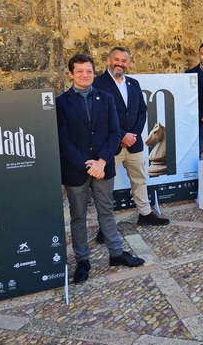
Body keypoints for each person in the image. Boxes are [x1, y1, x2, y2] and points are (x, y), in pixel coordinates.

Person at [56, 54, 145, 284]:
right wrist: (88, 164)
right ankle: (82, 260)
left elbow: (115, 132)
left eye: (88, 71)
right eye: (79, 71)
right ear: (70, 74)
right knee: (78, 217)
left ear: (94, 72)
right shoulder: (61, 103)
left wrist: (102, 162)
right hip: (77, 170)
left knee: (107, 211)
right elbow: (63, 140)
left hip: (104, 166)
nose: (85, 75)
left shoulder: (105, 99)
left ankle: (116, 253)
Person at [93, 47, 169, 236]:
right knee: (105, 187)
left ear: (128, 62)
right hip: (111, 146)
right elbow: (99, 117)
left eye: (124, 60)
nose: (120, 63)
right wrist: (121, 136)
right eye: (116, 59)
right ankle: (106, 226)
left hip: (134, 144)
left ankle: (144, 214)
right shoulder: (98, 84)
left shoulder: (133, 84)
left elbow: (142, 111)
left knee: (140, 180)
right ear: (108, 60)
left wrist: (133, 134)